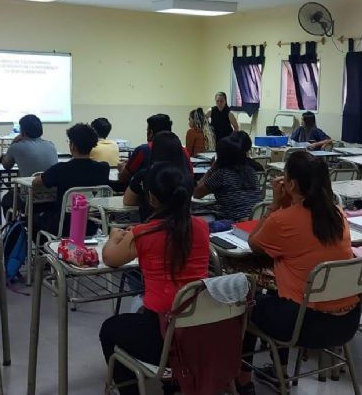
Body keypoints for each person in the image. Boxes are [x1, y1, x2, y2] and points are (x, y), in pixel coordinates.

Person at [236, 152, 361, 394]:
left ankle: (243, 379)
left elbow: (254, 243)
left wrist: (275, 205)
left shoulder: (282, 220)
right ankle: (279, 371)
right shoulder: (337, 214)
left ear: (291, 184)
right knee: (277, 295)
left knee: (249, 301)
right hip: (347, 322)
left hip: (305, 323)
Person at [100, 163, 210, 395]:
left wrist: (114, 236)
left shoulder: (144, 233)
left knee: (109, 329)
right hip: (200, 329)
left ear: (151, 197)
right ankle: (174, 383)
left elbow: (110, 258)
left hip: (162, 333)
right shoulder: (201, 227)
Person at [34, 123, 110, 237]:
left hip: (63, 227)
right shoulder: (103, 168)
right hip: (92, 226)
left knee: (33, 217)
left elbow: (35, 183)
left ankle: (42, 246)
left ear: (72, 145)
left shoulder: (60, 169)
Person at [124, 132, 194, 220]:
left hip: (152, 224)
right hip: (184, 225)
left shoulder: (145, 175)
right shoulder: (188, 177)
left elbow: (128, 201)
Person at [194, 135, 261, 222]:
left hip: (235, 223)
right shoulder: (250, 171)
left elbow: (197, 193)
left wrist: (211, 169)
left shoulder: (222, 174)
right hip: (256, 220)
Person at [1, 114, 58, 212]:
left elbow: (6, 166)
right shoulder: (51, 145)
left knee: (6, 199)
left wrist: (13, 142)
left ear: (23, 132)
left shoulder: (16, 146)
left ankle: (16, 221)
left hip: (29, 198)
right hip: (53, 198)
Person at [118, 114, 192, 185]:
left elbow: (123, 178)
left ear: (151, 132)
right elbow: (191, 175)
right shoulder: (183, 150)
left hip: (148, 193)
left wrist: (122, 167)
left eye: (147, 130)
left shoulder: (143, 150)